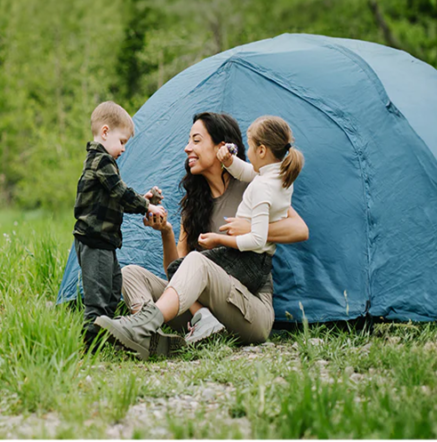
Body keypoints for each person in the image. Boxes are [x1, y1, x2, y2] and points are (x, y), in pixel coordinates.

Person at [95, 112, 309, 359]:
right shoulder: (194, 206)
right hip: (204, 315)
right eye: (189, 141)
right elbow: (177, 272)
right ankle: (148, 337)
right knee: (131, 273)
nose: (187, 148)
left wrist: (250, 229)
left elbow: (299, 229)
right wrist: (167, 233)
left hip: (250, 311)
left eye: (196, 140)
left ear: (221, 147)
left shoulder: (254, 184)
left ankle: (140, 327)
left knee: (198, 261)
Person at [73, 101, 168, 351]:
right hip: (93, 241)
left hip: (105, 242)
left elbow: (117, 198)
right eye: (122, 141)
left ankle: (107, 336)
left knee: (114, 288)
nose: (124, 149)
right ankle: (91, 346)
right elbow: (119, 191)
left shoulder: (105, 163)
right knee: (98, 296)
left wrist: (143, 199)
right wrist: (147, 208)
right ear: (105, 132)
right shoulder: (100, 161)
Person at [189, 115, 305, 295]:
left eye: (250, 146)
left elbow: (258, 240)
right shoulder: (275, 178)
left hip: (246, 258)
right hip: (256, 261)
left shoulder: (262, 186)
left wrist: (220, 238)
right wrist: (229, 162)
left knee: (186, 270)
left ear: (261, 151)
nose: (247, 152)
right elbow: (245, 171)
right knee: (190, 270)